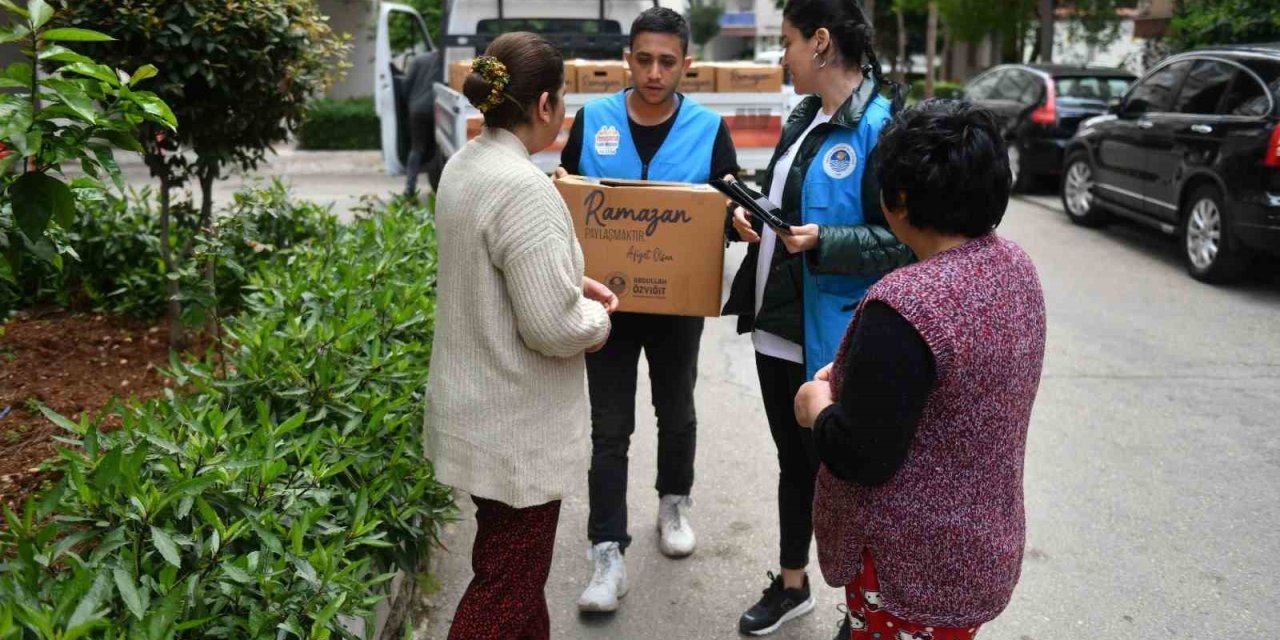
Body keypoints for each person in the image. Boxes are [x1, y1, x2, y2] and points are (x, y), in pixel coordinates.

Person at [793, 99, 1047, 640]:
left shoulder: (906, 304)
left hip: (907, 570)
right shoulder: (1014, 266)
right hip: (979, 549)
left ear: (898, 199)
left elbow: (862, 453)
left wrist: (819, 409)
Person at [721, 0, 913, 635]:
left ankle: (864, 609)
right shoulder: (805, 115)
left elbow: (908, 241)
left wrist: (827, 240)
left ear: (822, 42)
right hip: (779, 322)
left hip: (838, 332)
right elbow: (787, 198)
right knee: (793, 461)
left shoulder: (882, 127)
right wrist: (750, 212)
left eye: (788, 42)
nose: (782, 56)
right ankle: (793, 583)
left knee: (847, 478)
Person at [424, 32, 617, 640]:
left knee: (516, 578)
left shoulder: (467, 162)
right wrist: (599, 320)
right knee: (504, 589)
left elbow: (494, 269)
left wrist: (567, 280)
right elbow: (552, 327)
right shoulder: (525, 187)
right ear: (543, 107)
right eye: (561, 98)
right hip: (517, 434)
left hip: (476, 413)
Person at [556, 7, 740, 614]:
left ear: (686, 64)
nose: (655, 72)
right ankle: (606, 550)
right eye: (644, 59)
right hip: (604, 306)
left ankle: (673, 501)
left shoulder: (709, 130)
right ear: (627, 60)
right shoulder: (595, 120)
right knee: (609, 428)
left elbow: (727, 212)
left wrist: (736, 221)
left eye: (667, 61)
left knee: (676, 410)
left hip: (674, 306)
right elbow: (572, 205)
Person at [401, 50, 441, 196]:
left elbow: (406, 84)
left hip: (417, 109)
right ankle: (439, 181)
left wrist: (410, 102)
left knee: (417, 148)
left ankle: (410, 187)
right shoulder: (444, 61)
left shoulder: (418, 60)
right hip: (437, 108)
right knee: (439, 145)